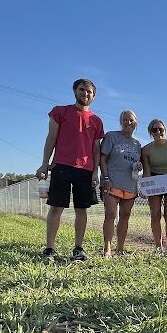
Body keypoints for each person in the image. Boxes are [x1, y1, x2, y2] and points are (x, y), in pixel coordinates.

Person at [35, 79, 105, 262]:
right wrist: (44, 163)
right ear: (75, 91)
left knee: (81, 209)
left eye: (89, 91)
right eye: (82, 90)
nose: (85, 94)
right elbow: (51, 138)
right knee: (56, 207)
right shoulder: (60, 112)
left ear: (94, 96)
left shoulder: (97, 121)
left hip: (85, 170)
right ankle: (49, 248)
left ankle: (78, 248)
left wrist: (95, 172)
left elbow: (96, 149)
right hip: (61, 166)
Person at [100, 110, 143, 257]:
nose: (128, 123)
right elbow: (103, 159)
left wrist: (139, 166)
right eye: (125, 120)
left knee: (125, 216)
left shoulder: (137, 144)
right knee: (110, 215)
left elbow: (138, 163)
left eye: (131, 120)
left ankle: (120, 249)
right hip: (112, 183)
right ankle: (107, 249)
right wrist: (105, 178)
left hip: (130, 185)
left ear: (136, 123)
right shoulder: (112, 136)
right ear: (121, 121)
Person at [141, 119, 167, 257]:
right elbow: (147, 172)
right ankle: (158, 247)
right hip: (154, 181)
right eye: (154, 130)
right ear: (150, 132)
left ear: (165, 130)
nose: (158, 132)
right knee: (155, 215)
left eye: (161, 129)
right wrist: (144, 188)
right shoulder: (146, 149)